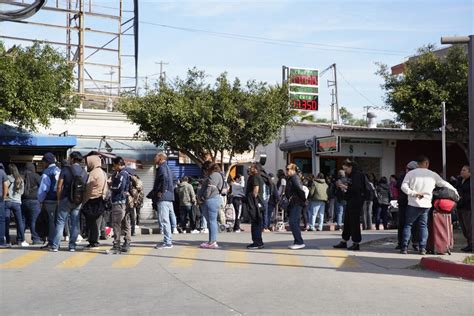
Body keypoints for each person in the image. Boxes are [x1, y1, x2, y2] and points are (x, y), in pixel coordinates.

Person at [400, 155, 459, 255]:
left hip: (413, 203)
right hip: (426, 204)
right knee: (423, 225)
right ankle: (422, 248)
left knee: (408, 225)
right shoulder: (432, 174)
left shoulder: (411, 173)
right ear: (426, 163)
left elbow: (403, 187)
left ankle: (404, 247)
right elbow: (443, 183)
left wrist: (413, 193)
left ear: (417, 164)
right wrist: (455, 191)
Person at [51, 152, 88, 252]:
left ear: (72, 159)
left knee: (60, 222)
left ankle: (55, 246)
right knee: (75, 223)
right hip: (77, 201)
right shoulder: (84, 172)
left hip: (65, 199)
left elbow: (59, 186)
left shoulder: (66, 169)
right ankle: (72, 246)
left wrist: (59, 199)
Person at [333, 159, 365, 251]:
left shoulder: (357, 175)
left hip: (356, 201)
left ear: (351, 167)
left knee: (354, 223)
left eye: (346, 169)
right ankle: (344, 240)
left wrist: (343, 187)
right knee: (347, 222)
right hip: (351, 200)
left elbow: (356, 189)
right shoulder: (352, 175)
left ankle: (356, 242)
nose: (345, 171)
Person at [82, 155, 108, 249]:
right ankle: (94, 240)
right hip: (100, 199)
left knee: (91, 222)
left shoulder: (93, 173)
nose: (87, 164)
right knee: (97, 222)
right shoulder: (103, 172)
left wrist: (84, 200)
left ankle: (93, 241)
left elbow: (89, 188)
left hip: (92, 200)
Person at [108, 157, 132, 254]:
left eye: (114, 165)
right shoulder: (125, 173)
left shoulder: (122, 174)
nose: (114, 167)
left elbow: (119, 187)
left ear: (118, 164)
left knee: (116, 224)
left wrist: (110, 185)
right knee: (125, 223)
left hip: (119, 202)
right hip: (124, 202)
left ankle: (116, 245)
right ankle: (127, 242)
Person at [37, 152, 61, 249]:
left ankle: (52, 242)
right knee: (58, 222)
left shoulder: (47, 172)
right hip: (60, 200)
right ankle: (57, 242)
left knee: (51, 222)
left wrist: (40, 200)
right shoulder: (59, 170)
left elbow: (44, 188)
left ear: (46, 162)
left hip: (50, 200)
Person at [153, 153, 176, 249]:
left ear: (161, 158)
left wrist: (161, 191)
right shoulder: (168, 168)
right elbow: (174, 180)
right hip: (169, 196)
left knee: (164, 219)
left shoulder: (162, 168)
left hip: (163, 197)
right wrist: (170, 190)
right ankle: (168, 240)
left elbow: (164, 179)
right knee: (167, 219)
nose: (154, 158)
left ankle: (168, 242)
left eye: (156, 157)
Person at [285, 163, 306, 250]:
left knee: (293, 222)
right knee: (294, 222)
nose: (286, 171)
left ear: (293, 170)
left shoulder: (294, 178)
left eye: (288, 169)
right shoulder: (291, 178)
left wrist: (303, 200)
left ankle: (299, 242)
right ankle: (297, 241)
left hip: (296, 202)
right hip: (294, 202)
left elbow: (300, 189)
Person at [5, 164, 26, 246]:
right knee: (19, 221)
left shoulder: (6, 178)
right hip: (17, 202)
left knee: (6, 221)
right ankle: (21, 240)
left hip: (7, 201)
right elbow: (22, 192)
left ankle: (7, 240)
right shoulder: (20, 179)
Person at [21, 162, 42, 245]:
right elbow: (42, 187)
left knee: (22, 221)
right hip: (34, 201)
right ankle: (35, 239)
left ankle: (20, 239)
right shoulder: (36, 176)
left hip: (23, 201)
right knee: (34, 221)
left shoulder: (21, 176)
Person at [245, 163, 265, 249]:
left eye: (252, 167)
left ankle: (257, 242)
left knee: (256, 222)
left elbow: (256, 189)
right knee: (256, 222)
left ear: (256, 169)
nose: (250, 168)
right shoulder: (256, 176)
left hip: (254, 203)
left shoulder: (255, 177)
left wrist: (253, 200)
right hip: (255, 203)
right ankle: (257, 241)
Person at [456, 165, 471, 252]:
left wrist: (464, 199)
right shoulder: (459, 180)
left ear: (470, 172)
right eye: (461, 170)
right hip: (460, 206)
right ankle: (469, 243)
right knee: (464, 228)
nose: (462, 171)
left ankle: (471, 244)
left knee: (469, 227)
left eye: (464, 170)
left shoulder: (470, 181)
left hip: (468, 207)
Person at [0, 163, 8, 248]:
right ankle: (1, 242)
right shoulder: (2, 172)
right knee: (1, 220)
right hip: (0, 200)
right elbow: (5, 185)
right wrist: (4, 196)